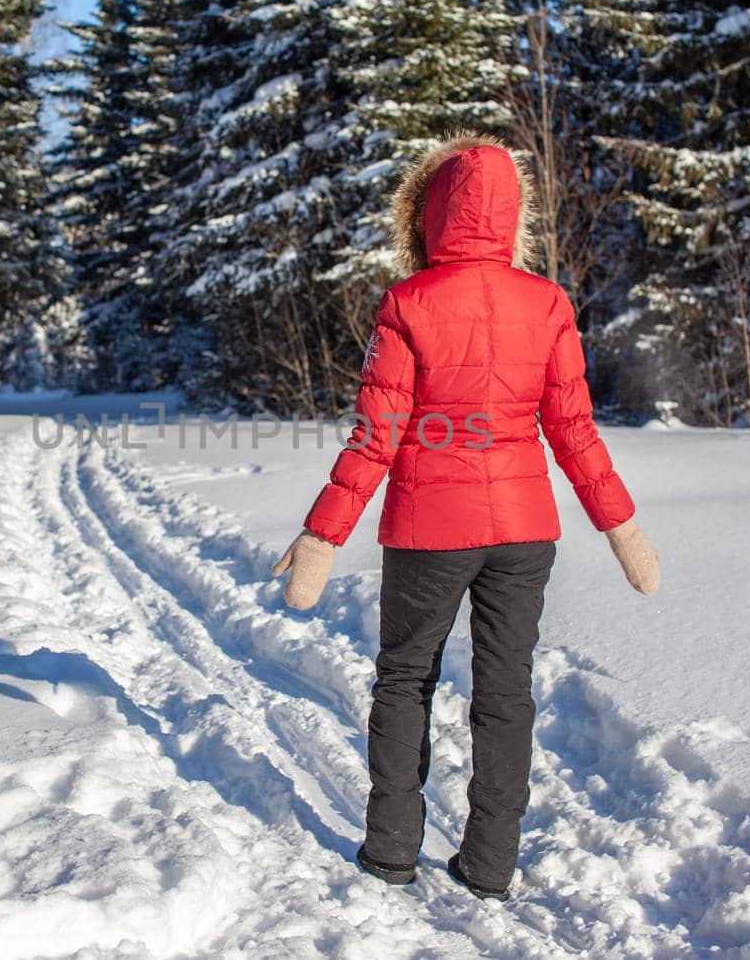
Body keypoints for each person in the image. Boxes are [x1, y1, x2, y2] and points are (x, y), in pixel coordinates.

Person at [270, 135, 660, 901]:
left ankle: (390, 850)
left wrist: (323, 534)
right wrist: (624, 529)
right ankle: (490, 864)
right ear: (514, 216)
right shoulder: (546, 303)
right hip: (524, 531)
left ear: (431, 215)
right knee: (506, 691)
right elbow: (574, 431)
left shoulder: (409, 303)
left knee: (405, 680)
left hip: (428, 531)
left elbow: (377, 433)